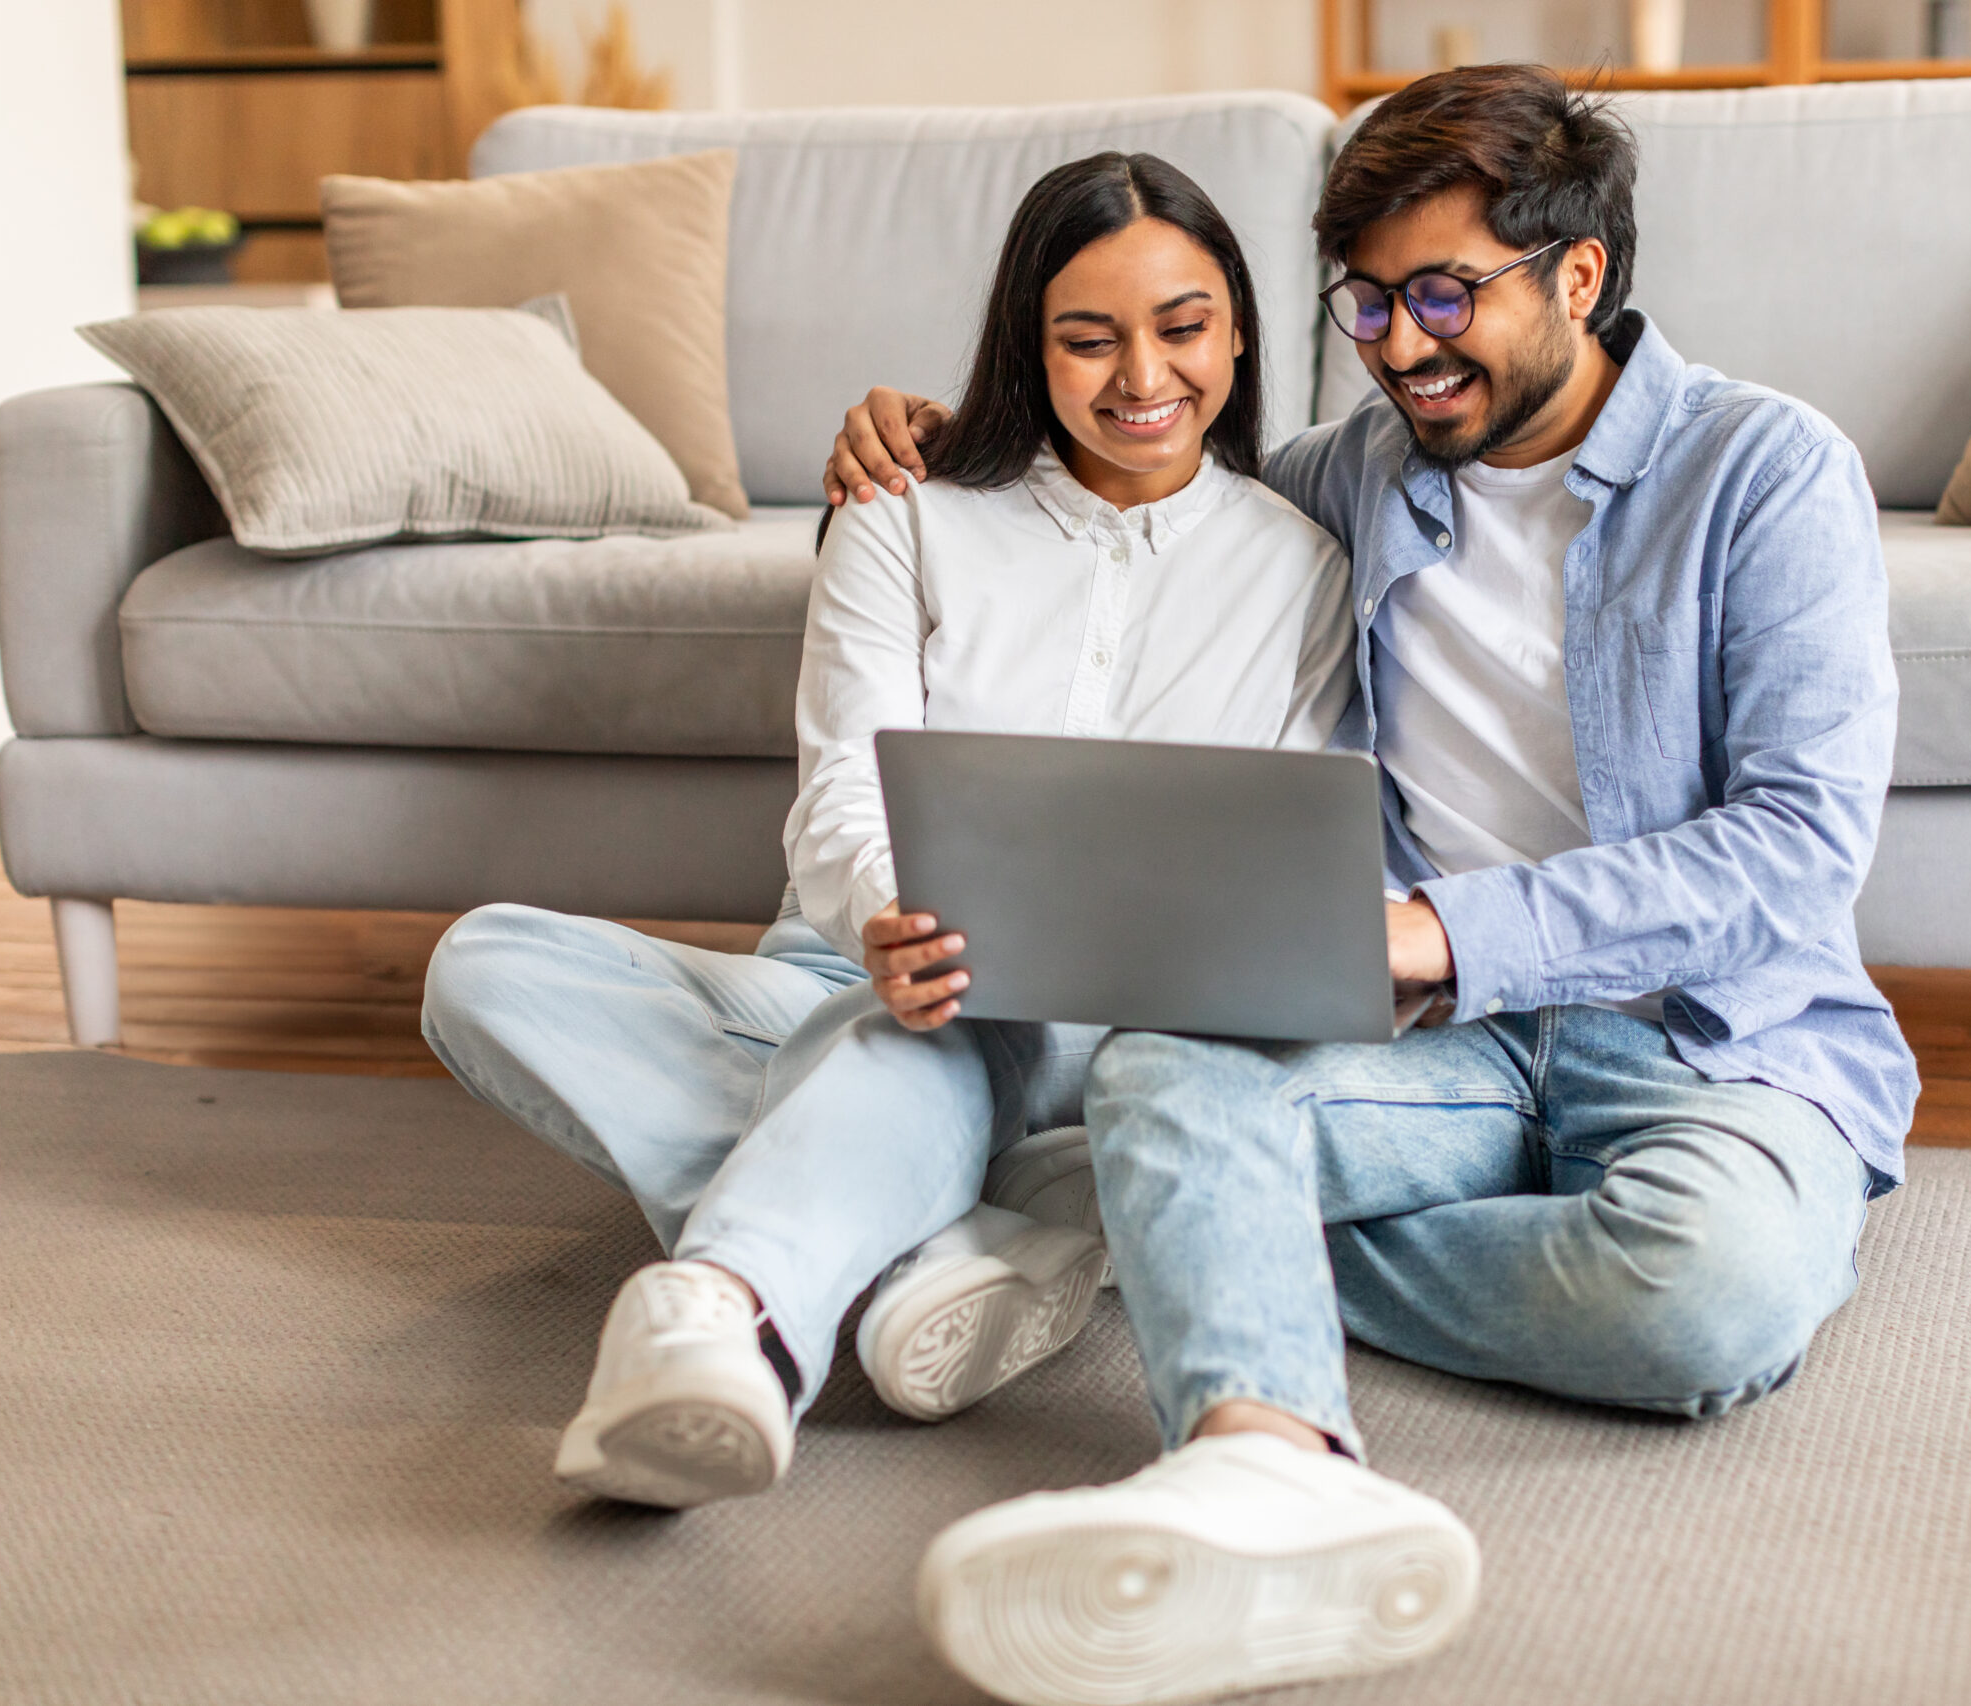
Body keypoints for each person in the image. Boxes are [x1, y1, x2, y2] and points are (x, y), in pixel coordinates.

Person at [824, 63, 1920, 1706]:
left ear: (1582, 276)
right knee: (1164, 1070)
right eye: (1370, 305)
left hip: (1709, 1037)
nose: (1404, 346)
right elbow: (1145, 459)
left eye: (1443, 295)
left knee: (1704, 1293)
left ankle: (1157, 1234)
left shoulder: (1765, 472)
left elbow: (1797, 846)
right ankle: (1268, 1455)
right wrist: (931, 430)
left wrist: (1442, 927)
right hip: (1434, 1044)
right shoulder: (1354, 474)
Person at [419, 150, 1357, 1511]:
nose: (1142, 376)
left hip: (1090, 1026)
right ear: (1027, 351)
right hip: (839, 961)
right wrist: (884, 920)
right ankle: (958, 1233)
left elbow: (1275, 846)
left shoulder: (1301, 568)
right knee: (484, 964)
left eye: (1183, 327)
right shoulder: (907, 508)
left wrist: (977, 960)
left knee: (948, 1017)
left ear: (1241, 330)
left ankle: (730, 1311)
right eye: (1088, 339)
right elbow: (842, 783)